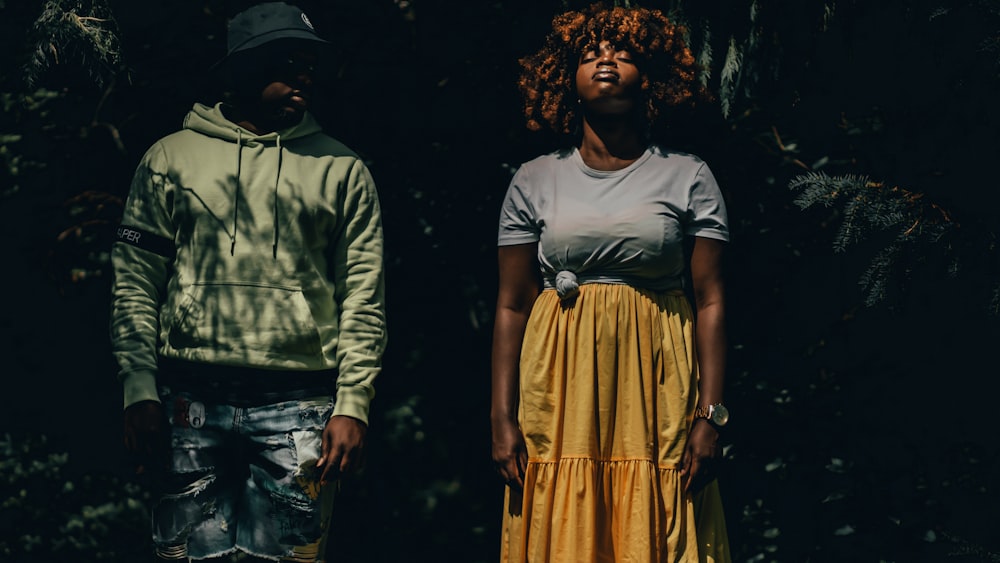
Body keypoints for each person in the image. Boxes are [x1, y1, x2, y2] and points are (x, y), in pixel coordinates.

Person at [110, 3, 386, 561]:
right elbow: (136, 279)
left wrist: (353, 403)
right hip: (189, 402)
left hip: (301, 405)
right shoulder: (169, 159)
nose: (304, 75)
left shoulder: (343, 169)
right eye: (288, 61)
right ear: (240, 68)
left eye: (310, 64)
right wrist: (138, 385)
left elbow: (363, 294)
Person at [491, 3, 731, 561]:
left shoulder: (687, 174)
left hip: (657, 382)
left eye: (624, 53)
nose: (606, 60)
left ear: (650, 80)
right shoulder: (534, 178)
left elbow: (713, 299)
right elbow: (511, 306)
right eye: (590, 53)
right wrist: (502, 418)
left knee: (660, 512)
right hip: (559, 383)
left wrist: (712, 415)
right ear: (565, 79)